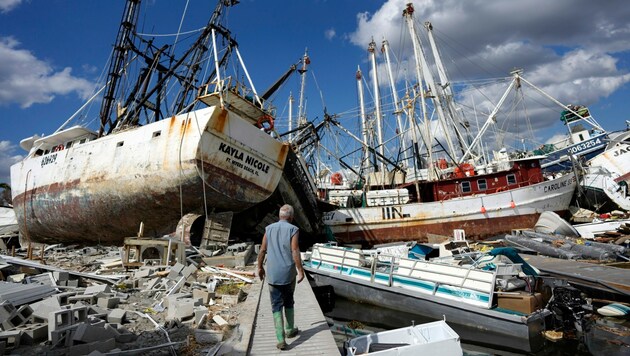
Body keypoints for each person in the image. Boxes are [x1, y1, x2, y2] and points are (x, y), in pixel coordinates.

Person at [256, 204, 305, 350]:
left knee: (276, 304)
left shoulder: (268, 229)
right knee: (289, 300)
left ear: (279, 216)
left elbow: (262, 250)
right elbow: (295, 250)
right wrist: (300, 270)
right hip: (288, 273)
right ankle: (290, 329)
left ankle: (280, 338)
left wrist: (259, 267)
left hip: (272, 273)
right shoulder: (293, 229)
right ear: (291, 217)